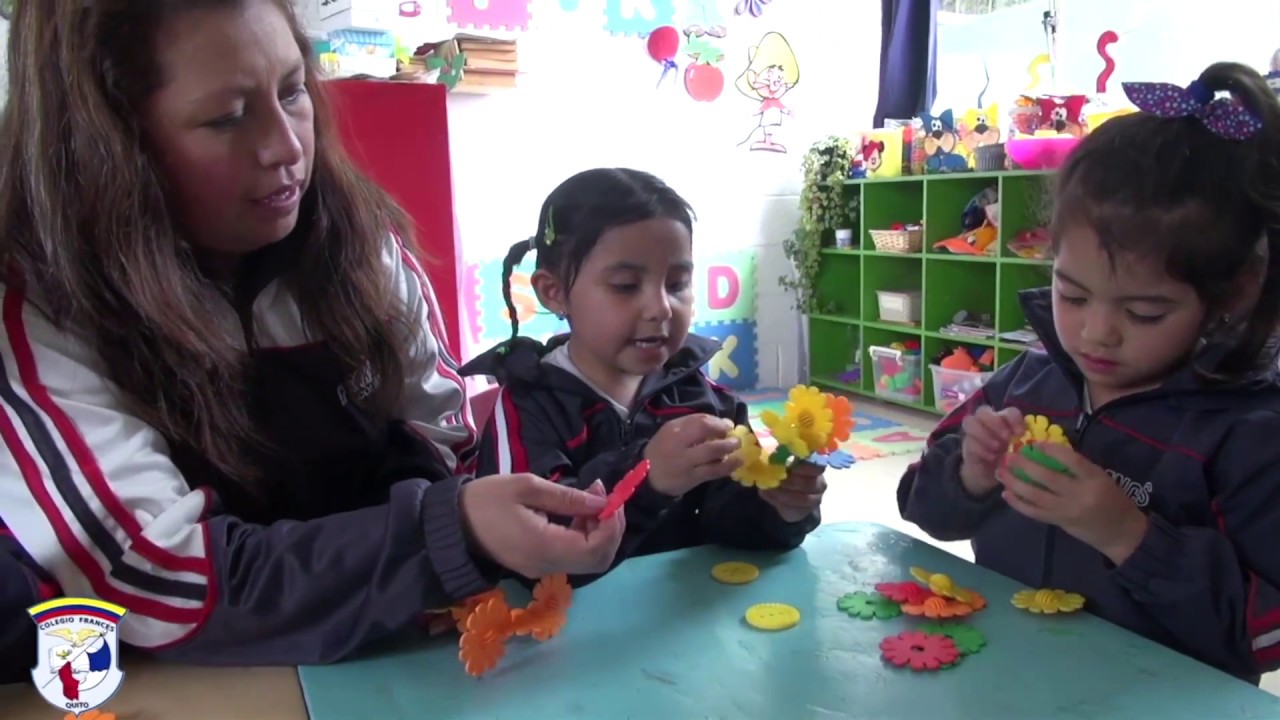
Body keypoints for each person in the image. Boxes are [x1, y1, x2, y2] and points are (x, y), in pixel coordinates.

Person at [0, 0, 625, 677]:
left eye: (293, 89)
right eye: (227, 118)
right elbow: (155, 579)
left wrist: (480, 517)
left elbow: (439, 434)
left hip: (380, 663)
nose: (288, 148)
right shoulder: (41, 308)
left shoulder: (362, 251)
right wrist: (446, 529)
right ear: (111, 143)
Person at [898, 62, 1280, 683]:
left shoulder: (1251, 432)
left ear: (1231, 296)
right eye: (1071, 295)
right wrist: (969, 473)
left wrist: (1127, 534)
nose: (1095, 333)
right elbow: (923, 507)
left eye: (1144, 311)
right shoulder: (1029, 379)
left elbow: (1261, 633)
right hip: (1008, 679)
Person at [460, 168, 826, 585]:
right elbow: (534, 558)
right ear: (554, 292)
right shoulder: (525, 409)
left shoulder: (703, 399)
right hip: (570, 638)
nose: (662, 308)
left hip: (680, 628)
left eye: (678, 283)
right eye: (626, 285)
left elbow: (728, 528)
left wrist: (779, 509)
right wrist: (646, 478)